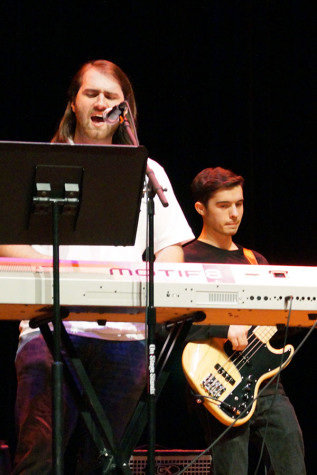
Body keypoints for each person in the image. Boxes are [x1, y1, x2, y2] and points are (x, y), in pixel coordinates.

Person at [0, 59, 194, 474]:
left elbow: (172, 248)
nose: (101, 102)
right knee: (39, 458)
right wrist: (68, 277)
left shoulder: (147, 171)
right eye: (92, 93)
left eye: (111, 96)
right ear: (74, 102)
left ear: (125, 108)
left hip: (126, 337)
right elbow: (7, 240)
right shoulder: (42, 162)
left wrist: (150, 281)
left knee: (107, 463)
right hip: (50, 329)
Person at [183, 167, 306, 474]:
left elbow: (270, 325)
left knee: (291, 459)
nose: (234, 213)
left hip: (264, 380)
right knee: (232, 467)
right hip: (215, 376)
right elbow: (170, 324)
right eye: (224, 206)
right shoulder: (184, 258)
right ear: (200, 208)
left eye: (239, 204)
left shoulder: (256, 261)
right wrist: (223, 328)